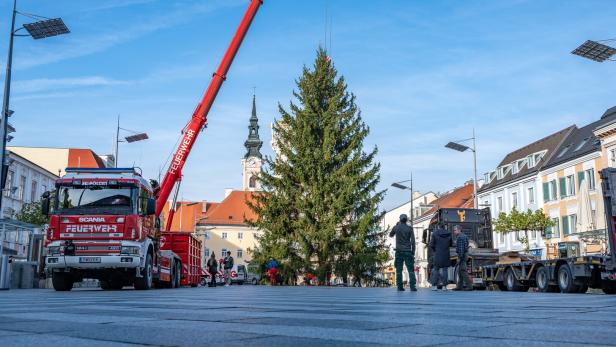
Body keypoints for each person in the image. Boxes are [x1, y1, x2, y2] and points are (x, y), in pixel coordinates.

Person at [389, 214, 417, 292]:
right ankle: (412, 286)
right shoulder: (410, 228)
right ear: (406, 220)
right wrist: (413, 253)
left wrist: (396, 226)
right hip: (408, 251)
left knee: (398, 270)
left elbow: (390, 235)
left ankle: (400, 286)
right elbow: (413, 242)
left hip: (399, 252)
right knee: (410, 270)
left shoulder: (396, 228)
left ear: (400, 220)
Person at [429, 224, 452, 291]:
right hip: (446, 254)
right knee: (445, 270)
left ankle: (434, 286)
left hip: (437, 254)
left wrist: (435, 250)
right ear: (444, 227)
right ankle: (444, 286)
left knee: (436, 270)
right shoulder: (449, 233)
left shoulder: (435, 234)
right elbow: (450, 244)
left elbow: (431, 245)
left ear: (438, 227)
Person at [453, 225, 473, 291]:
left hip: (462, 256)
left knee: (463, 271)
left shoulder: (460, 237)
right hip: (465, 255)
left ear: (459, 230)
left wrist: (459, 257)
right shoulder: (464, 236)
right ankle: (459, 286)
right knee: (460, 271)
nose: (454, 232)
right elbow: (466, 245)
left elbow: (461, 249)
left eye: (455, 230)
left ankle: (469, 286)